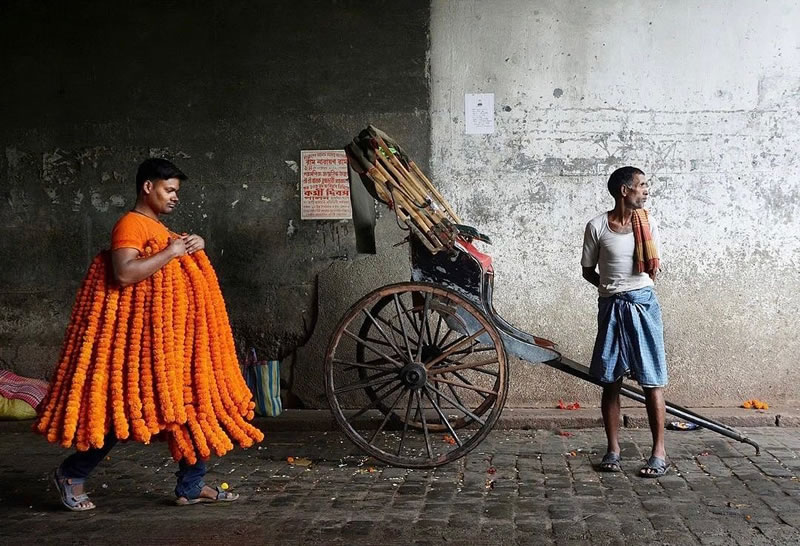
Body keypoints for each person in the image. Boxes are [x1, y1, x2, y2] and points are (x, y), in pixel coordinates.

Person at [52, 158, 240, 510]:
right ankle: (71, 474)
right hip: (137, 348)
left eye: (177, 192)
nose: (175, 197)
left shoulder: (159, 228)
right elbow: (124, 273)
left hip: (169, 342)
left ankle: (191, 485)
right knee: (119, 411)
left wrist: (189, 246)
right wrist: (172, 252)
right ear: (147, 187)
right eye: (169, 190)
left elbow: (168, 269)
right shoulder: (130, 225)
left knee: (187, 409)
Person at [581, 166, 669, 478]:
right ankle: (613, 449)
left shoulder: (648, 224)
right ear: (624, 190)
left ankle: (658, 452)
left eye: (646, 185)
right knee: (611, 379)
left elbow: (652, 268)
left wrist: (628, 291)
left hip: (643, 305)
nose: (646, 191)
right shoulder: (596, 226)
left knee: (651, 379)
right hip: (611, 307)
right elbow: (588, 270)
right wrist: (611, 290)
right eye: (641, 185)